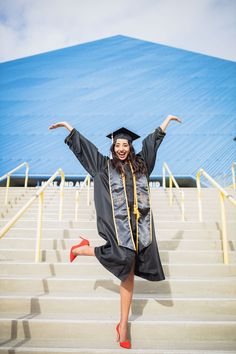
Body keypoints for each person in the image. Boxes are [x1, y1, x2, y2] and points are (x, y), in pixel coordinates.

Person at [49, 115, 181, 349]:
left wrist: (166, 122)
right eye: (118, 145)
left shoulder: (142, 165)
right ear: (113, 146)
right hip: (118, 229)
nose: (121, 148)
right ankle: (82, 249)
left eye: (125, 144)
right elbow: (86, 150)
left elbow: (152, 144)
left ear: (130, 147)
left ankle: (123, 326)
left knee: (127, 274)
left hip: (139, 230)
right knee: (122, 259)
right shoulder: (103, 167)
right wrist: (70, 129)